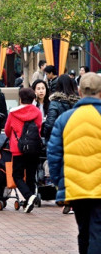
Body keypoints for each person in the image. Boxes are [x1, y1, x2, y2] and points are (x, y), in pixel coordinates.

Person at [48, 73, 101, 253]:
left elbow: (54, 154)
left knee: (83, 231)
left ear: (79, 91)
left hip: (76, 187)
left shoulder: (65, 119)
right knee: (98, 232)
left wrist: (58, 182)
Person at [4, 87, 42, 213]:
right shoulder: (37, 112)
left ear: (20, 99)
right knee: (30, 175)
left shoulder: (13, 113)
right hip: (34, 148)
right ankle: (28, 202)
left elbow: (7, 130)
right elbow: (39, 129)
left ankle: (29, 196)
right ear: (33, 99)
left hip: (18, 149)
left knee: (17, 175)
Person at [41, 74, 79, 143]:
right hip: (75, 140)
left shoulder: (54, 102)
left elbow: (50, 124)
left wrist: (47, 139)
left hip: (58, 139)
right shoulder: (78, 102)